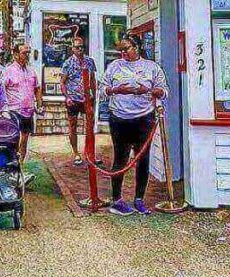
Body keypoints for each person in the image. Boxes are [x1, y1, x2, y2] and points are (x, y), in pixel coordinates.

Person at [101, 34, 167, 217]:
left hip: (144, 119)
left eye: (126, 49)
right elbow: (102, 89)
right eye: (120, 50)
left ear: (136, 47)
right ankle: (117, 199)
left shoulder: (151, 67)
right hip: (119, 119)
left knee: (143, 159)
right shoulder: (114, 66)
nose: (122, 53)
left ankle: (139, 199)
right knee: (120, 159)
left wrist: (148, 90)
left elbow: (163, 91)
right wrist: (116, 90)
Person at [2, 42, 42, 186]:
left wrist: (39, 104)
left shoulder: (31, 71)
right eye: (24, 52)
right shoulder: (8, 71)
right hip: (13, 110)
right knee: (15, 140)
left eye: (28, 52)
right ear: (16, 54)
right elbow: (1, 90)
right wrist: (3, 109)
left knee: (24, 140)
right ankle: (13, 170)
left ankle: (19, 170)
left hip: (28, 111)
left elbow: (37, 88)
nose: (27, 55)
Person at [61, 37, 97, 166]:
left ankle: (90, 152)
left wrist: (95, 95)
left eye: (82, 47)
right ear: (73, 49)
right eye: (77, 47)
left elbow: (92, 80)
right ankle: (76, 153)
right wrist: (67, 97)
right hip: (73, 99)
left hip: (87, 99)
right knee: (73, 126)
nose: (80, 49)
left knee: (90, 126)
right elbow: (62, 83)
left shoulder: (90, 61)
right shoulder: (68, 63)